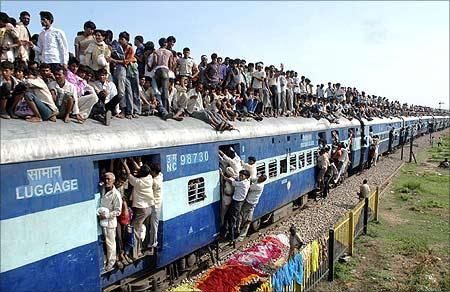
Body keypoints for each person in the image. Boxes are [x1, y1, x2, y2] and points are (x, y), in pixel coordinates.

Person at [122, 159, 154, 258]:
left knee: (134, 230)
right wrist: (132, 161)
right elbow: (139, 169)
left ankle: (136, 253)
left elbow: (128, 174)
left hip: (141, 209)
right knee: (140, 229)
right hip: (148, 208)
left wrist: (124, 163)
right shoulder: (149, 178)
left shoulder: (138, 182)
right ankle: (142, 247)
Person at [98, 172, 122, 272]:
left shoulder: (116, 194)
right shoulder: (103, 188)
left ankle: (111, 263)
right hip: (102, 221)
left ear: (113, 181)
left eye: (109, 179)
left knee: (110, 243)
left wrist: (107, 215)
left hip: (110, 222)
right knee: (106, 242)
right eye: (105, 179)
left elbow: (118, 211)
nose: (107, 181)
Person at [221, 169, 251, 240]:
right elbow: (236, 179)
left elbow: (231, 182)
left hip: (237, 203)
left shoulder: (243, 183)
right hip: (236, 201)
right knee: (227, 216)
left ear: (246, 177)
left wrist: (223, 176)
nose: (240, 177)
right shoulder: (245, 181)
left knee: (232, 219)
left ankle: (232, 237)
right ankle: (226, 232)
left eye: (242, 176)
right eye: (240, 175)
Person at [237, 174, 267, 241]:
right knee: (249, 219)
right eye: (259, 177)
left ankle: (239, 229)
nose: (259, 178)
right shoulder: (258, 180)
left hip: (249, 202)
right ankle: (241, 234)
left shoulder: (258, 186)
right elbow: (253, 179)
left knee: (241, 214)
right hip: (253, 203)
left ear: (262, 180)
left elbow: (248, 187)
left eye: (260, 178)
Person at [147, 163, 163, 255]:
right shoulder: (160, 176)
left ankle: (152, 243)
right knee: (153, 224)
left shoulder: (154, 182)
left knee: (154, 225)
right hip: (155, 203)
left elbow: (146, 179)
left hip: (155, 205)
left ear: (153, 172)